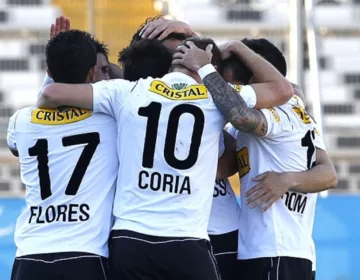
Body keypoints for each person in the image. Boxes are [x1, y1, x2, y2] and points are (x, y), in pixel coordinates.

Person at [37, 36, 290, 280]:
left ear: (173, 62)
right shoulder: (216, 97)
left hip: (132, 240)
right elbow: (283, 90)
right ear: (209, 67)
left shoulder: (127, 91)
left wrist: (53, 72)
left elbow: (51, 95)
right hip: (186, 241)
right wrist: (233, 48)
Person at [175, 39, 336, 280]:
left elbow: (329, 175)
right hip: (276, 251)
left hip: (276, 251)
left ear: (255, 80)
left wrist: (286, 180)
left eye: (232, 83)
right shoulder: (296, 112)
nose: (228, 91)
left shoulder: (277, 114)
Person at [7, 30, 116, 280]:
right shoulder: (112, 120)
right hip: (85, 254)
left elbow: (19, 143)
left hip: (30, 256)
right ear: (92, 72)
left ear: (48, 70)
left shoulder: (20, 122)